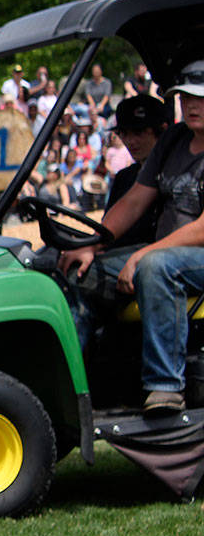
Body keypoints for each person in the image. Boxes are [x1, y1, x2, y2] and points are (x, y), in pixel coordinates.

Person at [61, 65, 204, 415]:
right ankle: (72, 390)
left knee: (155, 266)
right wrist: (92, 243)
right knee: (71, 269)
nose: (191, 105)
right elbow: (135, 200)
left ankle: (165, 387)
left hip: (186, 257)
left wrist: (146, 254)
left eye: (199, 97)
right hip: (167, 255)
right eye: (184, 97)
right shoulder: (173, 140)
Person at [105, 95, 169, 249]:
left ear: (162, 130)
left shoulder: (172, 175)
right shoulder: (124, 177)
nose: (131, 141)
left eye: (139, 132)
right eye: (124, 133)